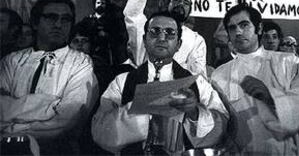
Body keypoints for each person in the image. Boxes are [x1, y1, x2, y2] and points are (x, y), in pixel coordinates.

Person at [91, 11, 228, 154]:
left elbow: (221, 128)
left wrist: (194, 113)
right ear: (144, 40)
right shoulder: (122, 81)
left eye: (169, 33)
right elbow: (99, 131)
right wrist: (140, 108)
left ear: (178, 44)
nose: (162, 38)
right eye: (155, 31)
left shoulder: (198, 83)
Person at [211, 4, 299, 155]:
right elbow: (216, 120)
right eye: (232, 28)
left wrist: (273, 98)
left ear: (259, 28)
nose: (238, 31)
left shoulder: (287, 62)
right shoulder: (219, 74)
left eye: (244, 25)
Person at [0, 0, 99, 154]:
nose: (59, 24)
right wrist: (51, 105)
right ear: (35, 23)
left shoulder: (80, 63)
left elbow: (68, 118)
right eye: (51, 17)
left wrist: (13, 125)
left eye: (65, 19)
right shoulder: (12, 61)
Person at [78, 0, 128, 66]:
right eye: (98, 3)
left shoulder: (113, 22)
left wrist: (106, 35)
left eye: (103, 3)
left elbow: (119, 37)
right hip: (89, 52)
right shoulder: (87, 20)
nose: (100, 5)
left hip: (107, 54)